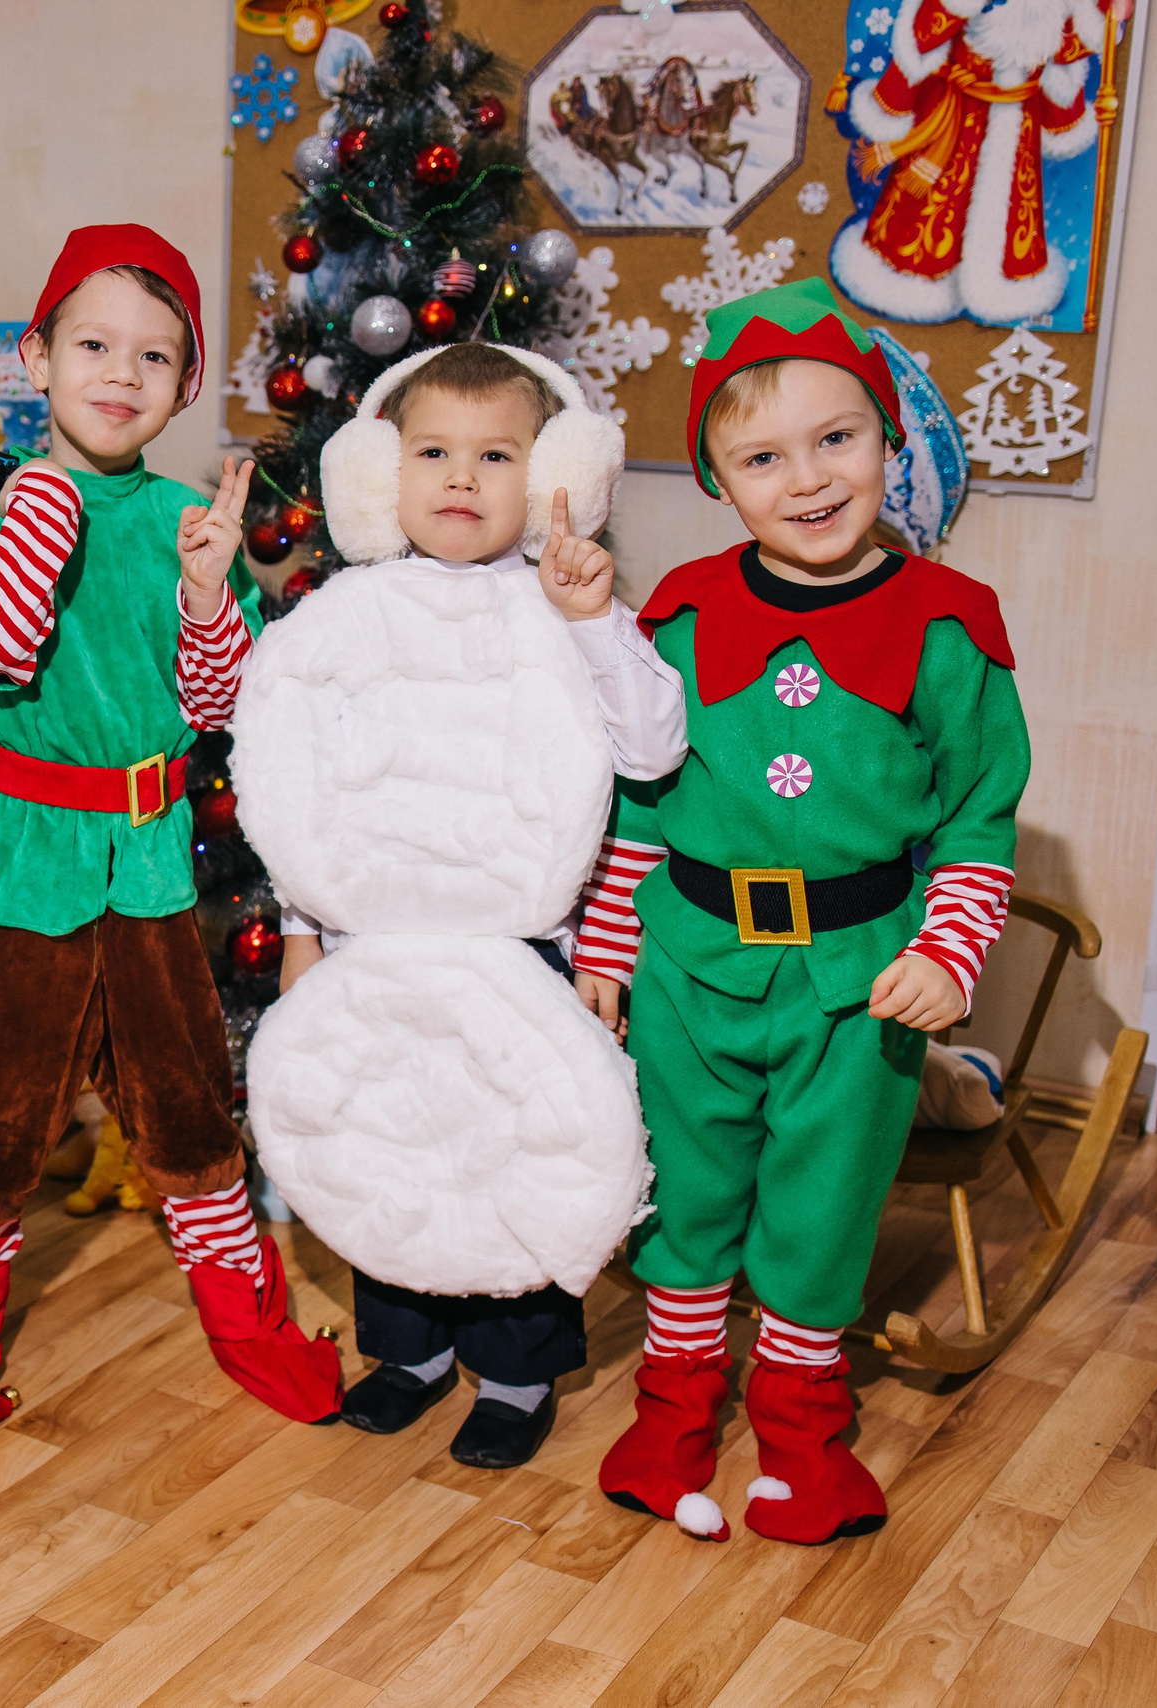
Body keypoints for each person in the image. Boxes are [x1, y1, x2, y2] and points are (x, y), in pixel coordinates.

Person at [580, 278, 1029, 1544]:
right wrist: (609, 951)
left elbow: (978, 820)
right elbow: (641, 794)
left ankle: (800, 1440)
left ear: (889, 443)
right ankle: (670, 1414)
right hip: (691, 963)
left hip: (858, 982)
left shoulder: (953, 629)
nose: (810, 477)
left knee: (822, 1211)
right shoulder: (673, 613)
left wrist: (949, 950)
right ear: (721, 482)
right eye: (764, 456)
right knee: (685, 1191)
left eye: (839, 438)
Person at [0, 224, 345, 1441]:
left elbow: (218, 707)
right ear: (37, 358)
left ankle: (248, 1326)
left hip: (148, 868)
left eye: (154, 356)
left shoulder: (183, 522)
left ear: (185, 385)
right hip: (21, 862)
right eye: (92, 344)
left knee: (190, 1112)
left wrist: (207, 593)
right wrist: (42, 502)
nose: (119, 372)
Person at [240, 340, 686, 1472]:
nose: (460, 478)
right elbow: (294, 781)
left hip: (517, 942)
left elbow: (648, 751)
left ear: (558, 477)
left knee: (509, 1140)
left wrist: (591, 622)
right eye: (433, 452)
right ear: (378, 474)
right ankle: (411, 1354)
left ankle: (519, 1366)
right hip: (370, 940)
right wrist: (302, 929)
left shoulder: (565, 609)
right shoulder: (345, 614)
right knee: (392, 1135)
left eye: (497, 455)